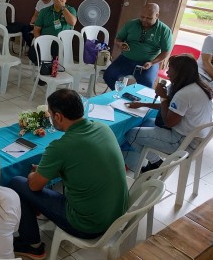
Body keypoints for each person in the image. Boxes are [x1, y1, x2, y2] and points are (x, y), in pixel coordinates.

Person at [8, 89, 129, 260]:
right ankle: (36, 211)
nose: (50, 117)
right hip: (118, 214)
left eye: (50, 114)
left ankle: (32, 245)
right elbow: (82, 162)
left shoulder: (60, 147)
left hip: (87, 225)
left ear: (58, 117)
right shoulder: (103, 128)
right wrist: (49, 170)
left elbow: (34, 185)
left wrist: (33, 175)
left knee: (17, 183)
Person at [124, 54, 213, 173]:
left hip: (183, 142)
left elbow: (169, 122)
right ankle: (154, 160)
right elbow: (173, 109)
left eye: (170, 70)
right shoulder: (200, 86)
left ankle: (156, 163)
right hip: (196, 139)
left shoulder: (184, 94)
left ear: (179, 73)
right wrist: (142, 104)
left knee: (131, 134)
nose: (167, 73)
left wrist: (163, 97)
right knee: (149, 122)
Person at [103, 3, 172, 90]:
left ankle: (137, 101)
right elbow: (118, 39)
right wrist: (119, 44)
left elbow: (166, 52)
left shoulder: (164, 30)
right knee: (108, 75)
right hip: (126, 59)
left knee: (147, 85)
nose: (144, 20)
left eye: (149, 18)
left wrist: (152, 63)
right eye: (142, 17)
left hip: (148, 63)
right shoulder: (131, 24)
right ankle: (121, 95)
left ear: (157, 15)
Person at [29, 0, 77, 66]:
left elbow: (72, 22)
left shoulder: (70, 10)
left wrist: (62, 7)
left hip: (61, 42)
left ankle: (49, 68)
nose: (60, 0)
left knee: (55, 54)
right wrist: (41, 42)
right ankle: (46, 68)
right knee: (32, 53)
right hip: (46, 40)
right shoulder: (44, 11)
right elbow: (36, 29)